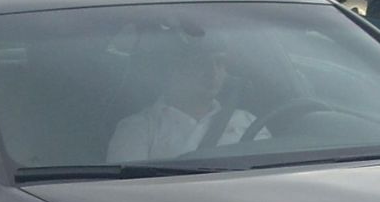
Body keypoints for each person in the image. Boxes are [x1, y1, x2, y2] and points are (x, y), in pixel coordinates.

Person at [107, 39, 265, 163]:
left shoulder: (248, 122)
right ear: (175, 70)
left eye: (219, 63)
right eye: (200, 63)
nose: (212, 72)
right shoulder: (139, 129)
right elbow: (127, 194)